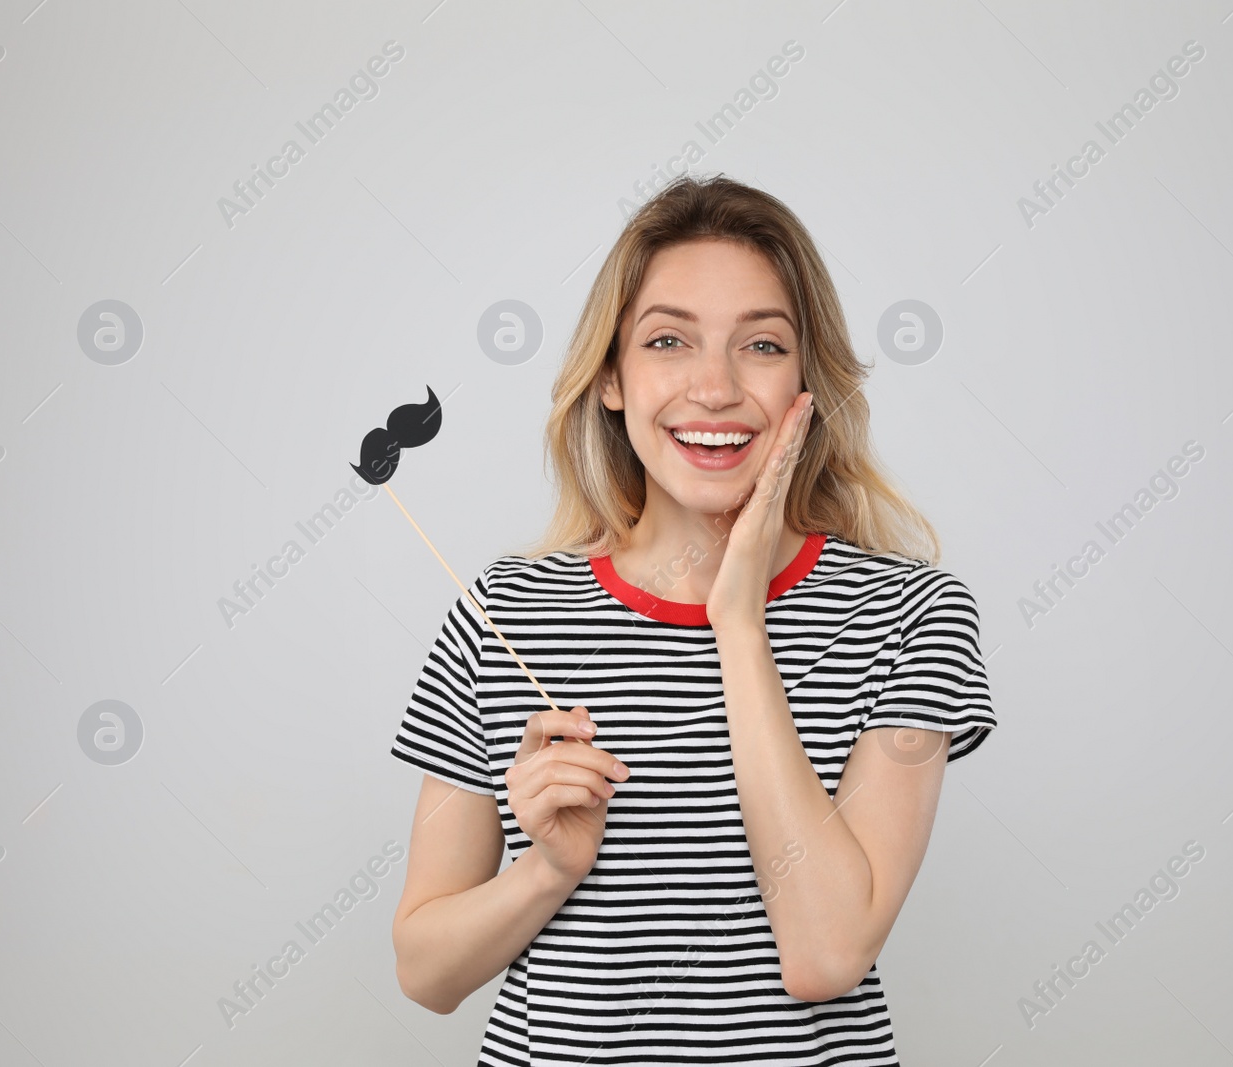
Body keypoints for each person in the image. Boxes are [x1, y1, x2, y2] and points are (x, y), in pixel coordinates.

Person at [388, 173, 997, 1066]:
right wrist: (548, 870)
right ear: (610, 379)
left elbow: (827, 955)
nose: (713, 388)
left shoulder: (910, 615)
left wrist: (740, 624)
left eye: (760, 344)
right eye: (668, 340)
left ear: (806, 381)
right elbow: (425, 971)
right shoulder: (504, 613)